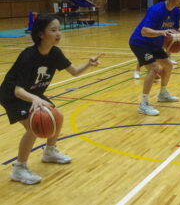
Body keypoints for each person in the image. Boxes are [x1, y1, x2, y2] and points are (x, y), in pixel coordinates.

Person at [0, 14, 103, 185]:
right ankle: (19, 168)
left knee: (58, 116)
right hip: (12, 95)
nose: (58, 34)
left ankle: (49, 151)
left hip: (32, 92)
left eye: (59, 30)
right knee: (33, 128)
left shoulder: (55, 52)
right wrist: (35, 99)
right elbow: (18, 90)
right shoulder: (28, 55)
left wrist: (88, 63)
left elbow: (75, 71)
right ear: (41, 34)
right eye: (53, 30)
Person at [129, 0, 180, 116]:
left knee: (168, 65)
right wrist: (161, 33)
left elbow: (175, 29)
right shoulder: (156, 10)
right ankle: (143, 104)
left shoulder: (176, 11)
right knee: (154, 68)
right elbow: (144, 31)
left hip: (154, 43)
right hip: (140, 42)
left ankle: (162, 94)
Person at [133, 3, 180, 79]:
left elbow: (176, 28)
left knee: (170, 45)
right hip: (150, 37)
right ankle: (137, 70)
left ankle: (163, 64)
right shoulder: (159, 11)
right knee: (145, 57)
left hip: (161, 37)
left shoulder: (177, 12)